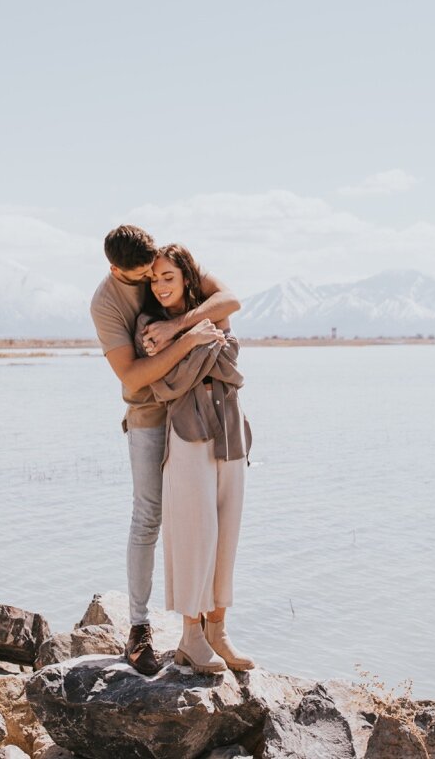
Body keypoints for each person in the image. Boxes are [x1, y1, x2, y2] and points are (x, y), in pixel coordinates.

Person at [89, 225, 240, 675]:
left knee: (205, 516)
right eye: (142, 276)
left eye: (157, 272)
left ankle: (208, 629)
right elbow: (133, 378)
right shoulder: (106, 304)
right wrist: (190, 340)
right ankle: (138, 627)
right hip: (150, 416)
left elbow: (229, 300)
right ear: (117, 270)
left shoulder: (163, 263)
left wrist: (178, 325)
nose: (153, 281)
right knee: (149, 515)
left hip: (194, 411)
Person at [137, 243, 254, 673]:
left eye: (169, 276)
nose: (161, 285)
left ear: (187, 277)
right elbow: (168, 385)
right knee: (195, 533)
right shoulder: (148, 324)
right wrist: (197, 342)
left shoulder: (207, 311)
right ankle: (190, 635)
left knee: (227, 532)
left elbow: (231, 368)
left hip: (230, 433)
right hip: (187, 436)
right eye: (154, 279)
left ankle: (218, 632)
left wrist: (185, 341)